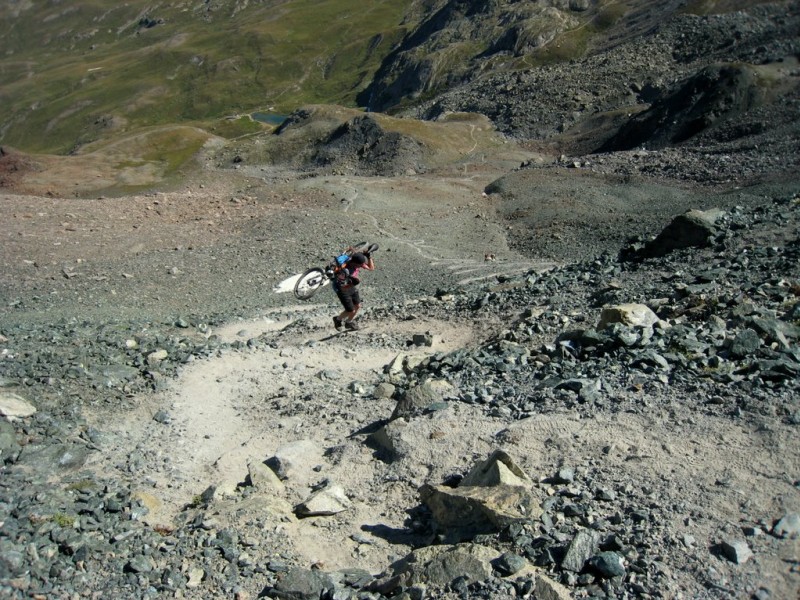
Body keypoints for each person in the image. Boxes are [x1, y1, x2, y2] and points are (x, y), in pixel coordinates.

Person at [332, 249, 375, 331]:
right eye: (359, 265)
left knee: (358, 306)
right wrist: (352, 282)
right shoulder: (345, 270)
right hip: (342, 288)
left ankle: (349, 322)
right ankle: (337, 320)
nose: (361, 266)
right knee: (351, 310)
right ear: (354, 263)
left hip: (351, 285)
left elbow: (371, 268)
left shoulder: (356, 262)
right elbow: (342, 285)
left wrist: (369, 257)